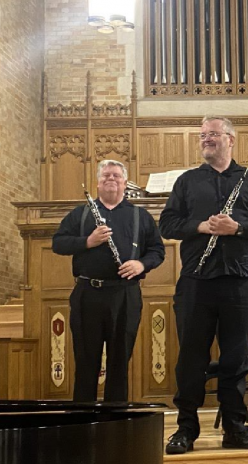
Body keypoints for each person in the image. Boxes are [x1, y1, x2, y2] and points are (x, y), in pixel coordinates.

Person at [160, 116, 248, 453]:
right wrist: (200, 227)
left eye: (213, 134)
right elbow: (167, 223)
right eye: (203, 135)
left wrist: (236, 228)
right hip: (196, 281)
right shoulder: (187, 181)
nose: (206, 139)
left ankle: (234, 428)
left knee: (235, 359)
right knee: (191, 360)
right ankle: (186, 430)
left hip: (240, 280)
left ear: (230, 139)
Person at [52, 159, 165, 403]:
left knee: (119, 362)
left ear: (125, 182)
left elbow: (157, 251)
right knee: (85, 360)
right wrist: (87, 242)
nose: (110, 179)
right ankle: (82, 422)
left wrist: (141, 264)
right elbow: (58, 243)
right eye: (105, 176)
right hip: (87, 294)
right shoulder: (80, 214)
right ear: (97, 183)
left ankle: (116, 423)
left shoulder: (140, 216)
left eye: (116, 176)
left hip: (125, 294)